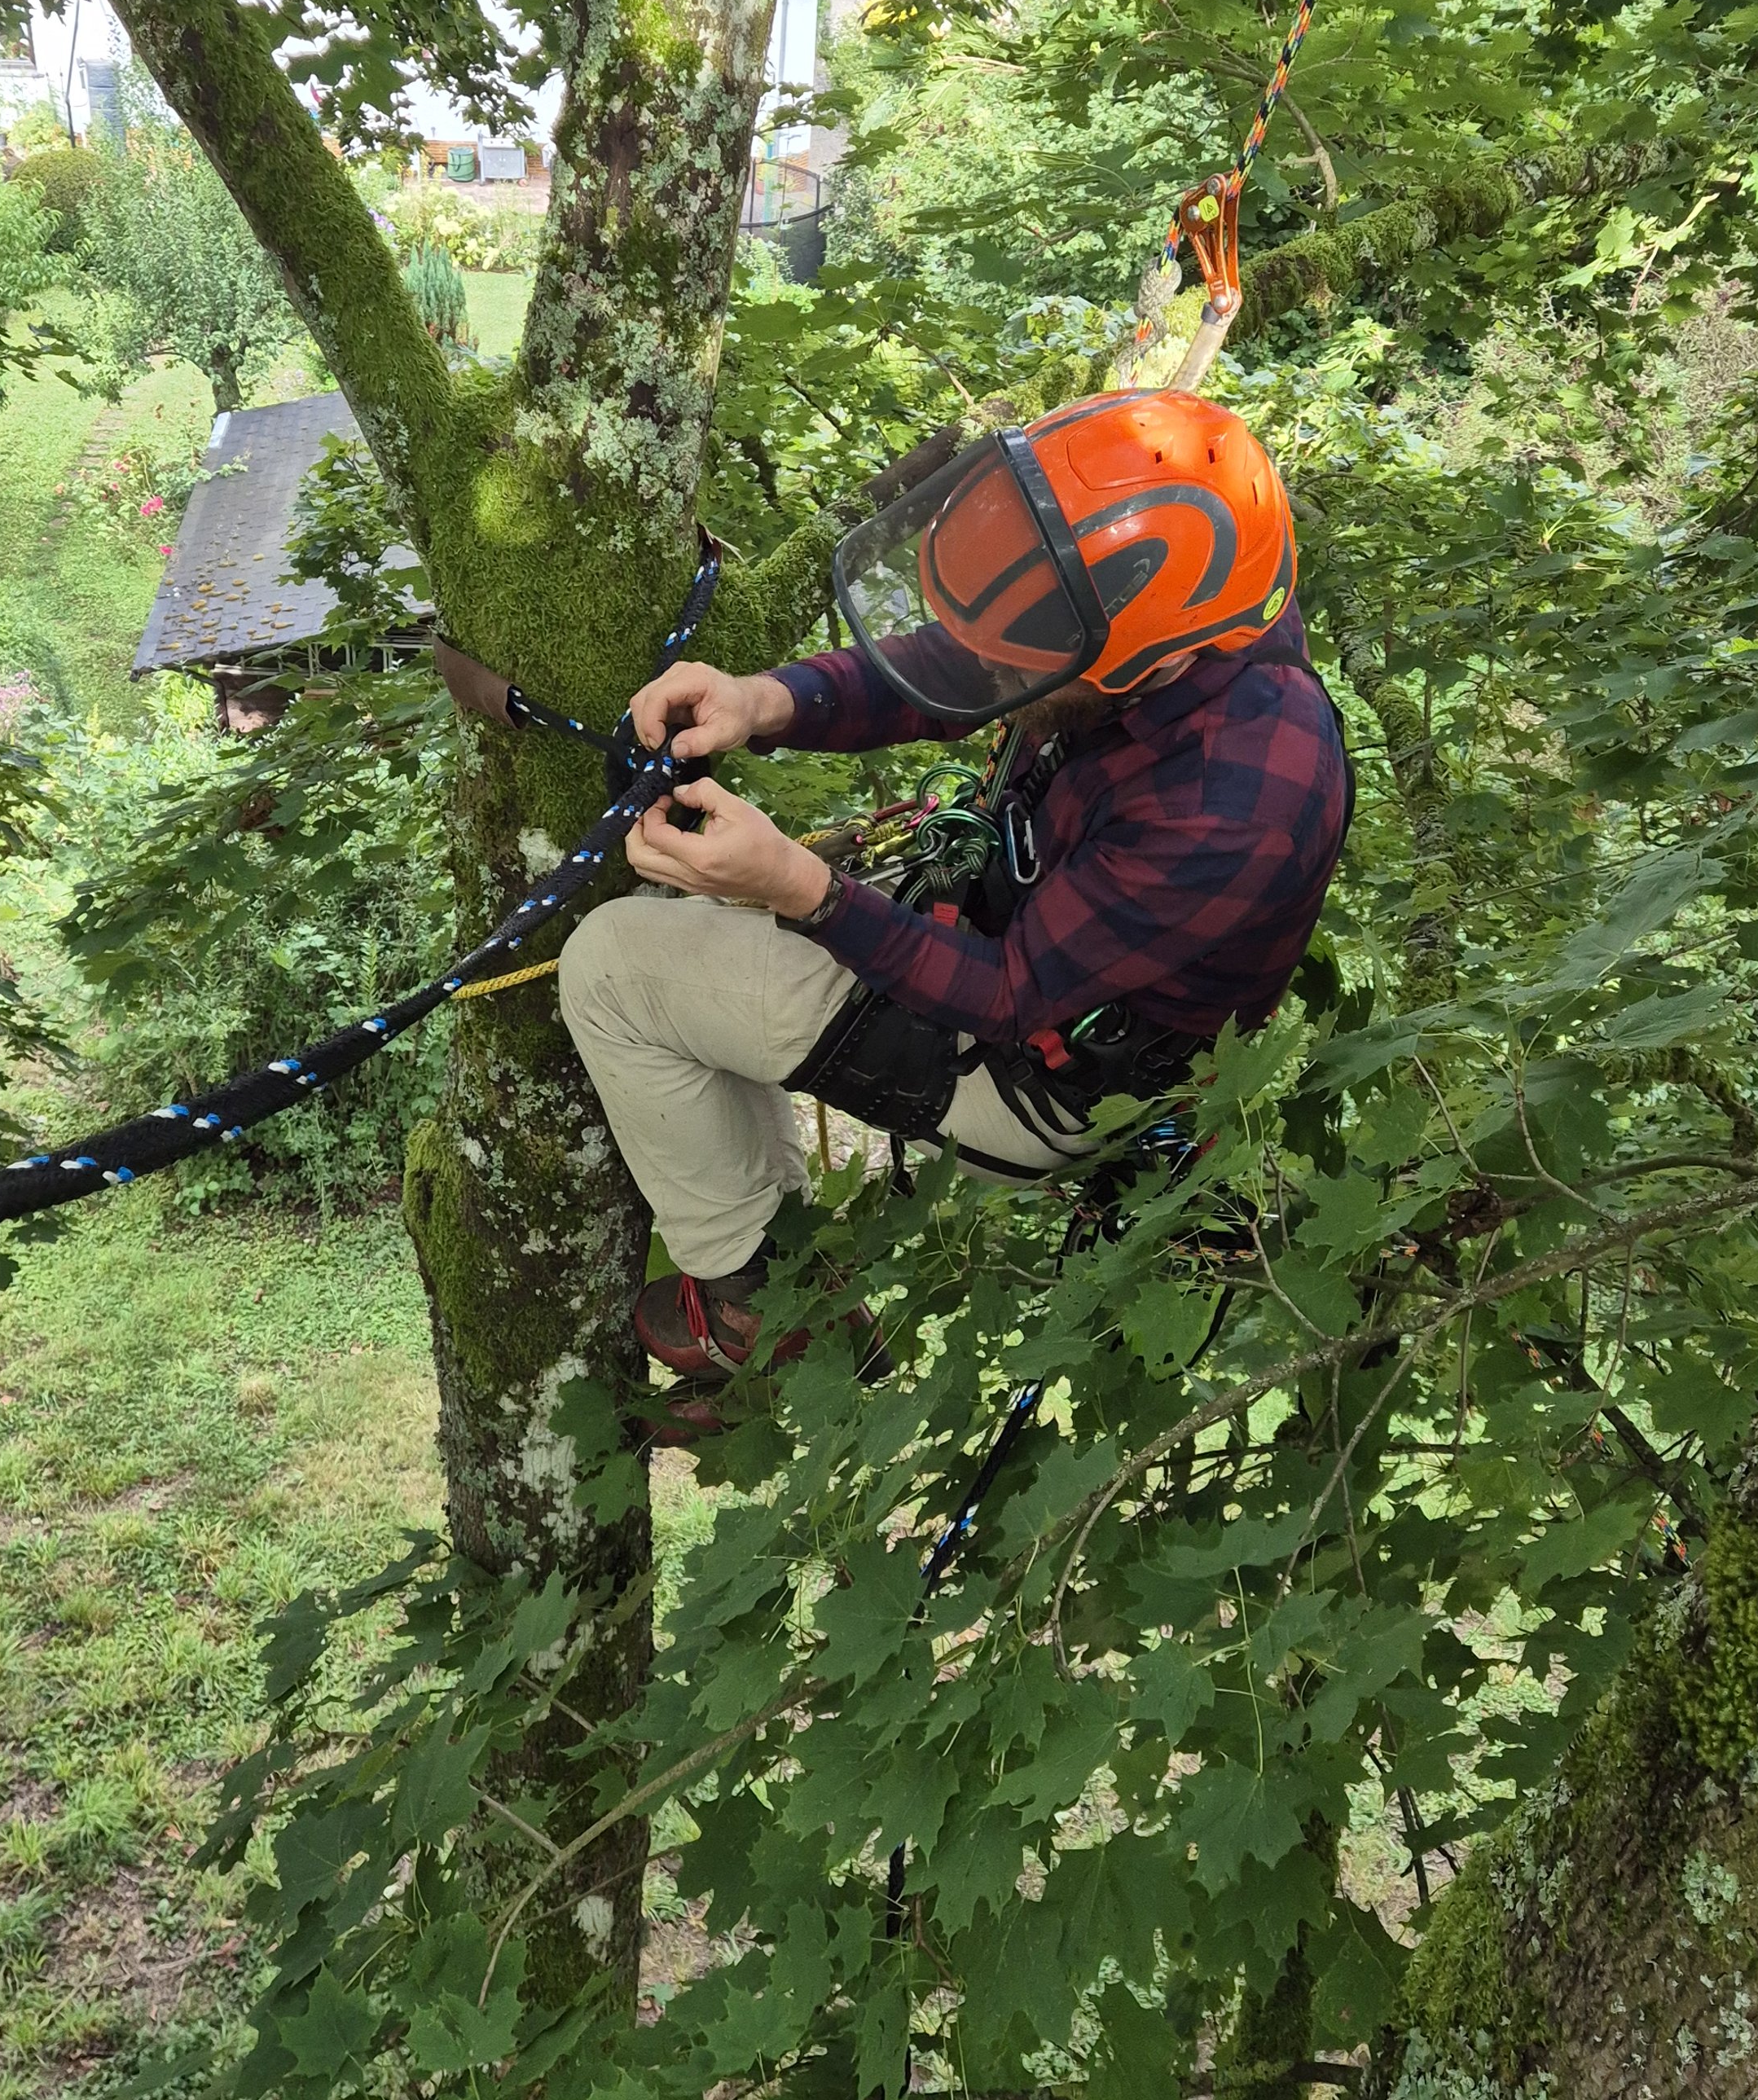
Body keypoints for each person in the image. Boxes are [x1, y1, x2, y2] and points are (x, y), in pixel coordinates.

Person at [558, 389, 1351, 1391]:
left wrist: (802, 889)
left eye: (1030, 664)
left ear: (1146, 657)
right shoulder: (1180, 610)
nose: (998, 675)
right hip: (1009, 918)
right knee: (699, 919)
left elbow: (1007, 993)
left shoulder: (1238, 798)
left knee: (612, 970)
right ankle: (788, 1259)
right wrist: (767, 701)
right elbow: (971, 662)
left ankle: (758, 1309)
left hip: (1051, 1075)